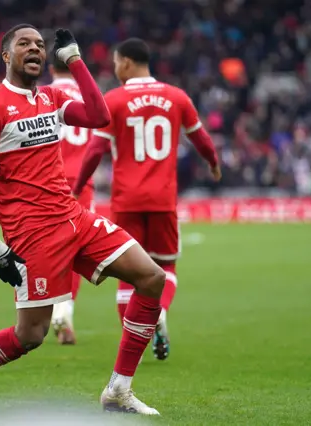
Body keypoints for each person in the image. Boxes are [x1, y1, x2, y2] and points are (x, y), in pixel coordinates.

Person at [0, 25, 165, 417]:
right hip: (33, 236)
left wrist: (76, 62)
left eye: (40, 46)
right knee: (30, 336)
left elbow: (99, 115)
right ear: (6, 56)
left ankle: (119, 390)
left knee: (152, 278)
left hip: (74, 218)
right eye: (23, 44)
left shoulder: (51, 96)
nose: (34, 49)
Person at [73, 38, 221, 361]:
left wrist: (76, 187)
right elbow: (201, 138)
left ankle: (133, 347)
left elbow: (95, 151)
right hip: (163, 199)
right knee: (165, 265)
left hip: (126, 200)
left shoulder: (112, 100)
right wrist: (212, 162)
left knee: (128, 272)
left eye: (115, 62)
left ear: (126, 62)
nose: (114, 68)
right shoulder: (177, 96)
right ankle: (160, 312)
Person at [47, 57, 95, 345]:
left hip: (47, 179)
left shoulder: (42, 95)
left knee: (45, 246)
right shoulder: (88, 98)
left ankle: (42, 309)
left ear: (50, 68)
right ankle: (65, 310)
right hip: (81, 183)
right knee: (76, 249)